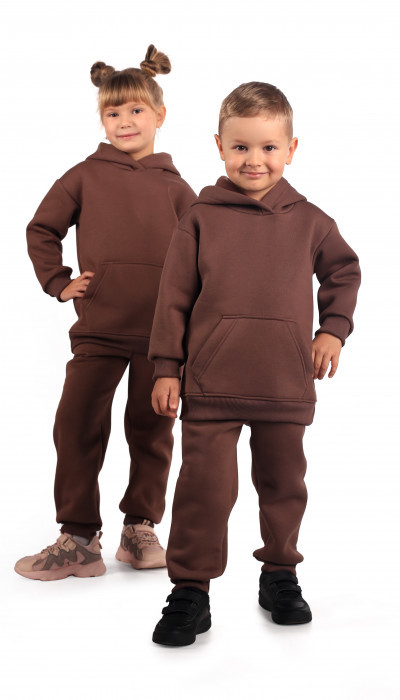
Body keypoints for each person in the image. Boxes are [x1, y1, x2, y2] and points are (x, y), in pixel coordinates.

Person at [148, 81, 361, 645]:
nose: (254, 160)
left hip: (284, 382)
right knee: (203, 490)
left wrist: (333, 330)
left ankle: (280, 574)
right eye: (241, 147)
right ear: (219, 146)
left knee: (284, 485)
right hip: (210, 382)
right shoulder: (199, 217)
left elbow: (344, 271)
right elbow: (173, 297)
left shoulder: (311, 220)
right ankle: (190, 590)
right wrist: (167, 367)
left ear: (291, 148)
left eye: (268, 147)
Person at [14, 45, 196, 581]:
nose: (124, 121)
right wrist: (59, 282)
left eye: (136, 110)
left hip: (160, 339)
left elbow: (203, 259)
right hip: (98, 330)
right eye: (112, 112)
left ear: (160, 115)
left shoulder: (177, 188)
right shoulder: (84, 175)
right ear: (102, 120)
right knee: (75, 425)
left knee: (152, 433)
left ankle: (140, 529)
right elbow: (41, 229)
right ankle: (77, 539)